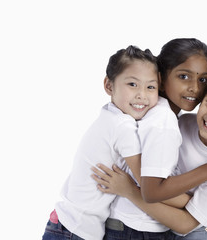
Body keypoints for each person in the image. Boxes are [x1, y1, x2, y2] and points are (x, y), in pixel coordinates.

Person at [91, 38, 207, 239]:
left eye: (202, 80)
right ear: (161, 78)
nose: (194, 88)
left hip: (138, 224)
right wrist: (201, 199)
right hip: (134, 227)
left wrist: (201, 209)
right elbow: (152, 189)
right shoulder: (163, 120)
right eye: (184, 76)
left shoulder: (180, 120)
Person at [42, 45, 160, 240]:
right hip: (74, 230)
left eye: (151, 87)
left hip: (67, 224)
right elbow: (149, 185)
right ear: (109, 86)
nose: (142, 94)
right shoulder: (123, 127)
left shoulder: (110, 115)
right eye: (132, 84)